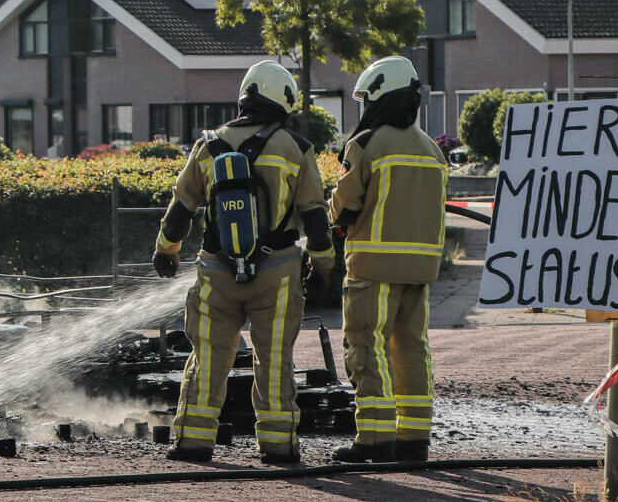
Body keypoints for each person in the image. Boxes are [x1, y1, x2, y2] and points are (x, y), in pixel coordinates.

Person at [152, 60, 337, 463]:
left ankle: (192, 442)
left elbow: (182, 207)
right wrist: (323, 268)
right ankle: (278, 445)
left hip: (216, 271)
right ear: (283, 100)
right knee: (273, 359)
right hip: (279, 271)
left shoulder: (207, 145)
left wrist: (165, 250)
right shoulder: (296, 149)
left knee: (209, 355)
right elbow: (316, 219)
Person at [329, 56, 448, 464]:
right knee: (412, 349)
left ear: (379, 98)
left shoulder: (366, 144)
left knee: (367, 346)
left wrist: (333, 216)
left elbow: (345, 204)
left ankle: (375, 439)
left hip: (372, 268)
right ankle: (414, 439)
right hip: (420, 271)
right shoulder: (433, 151)